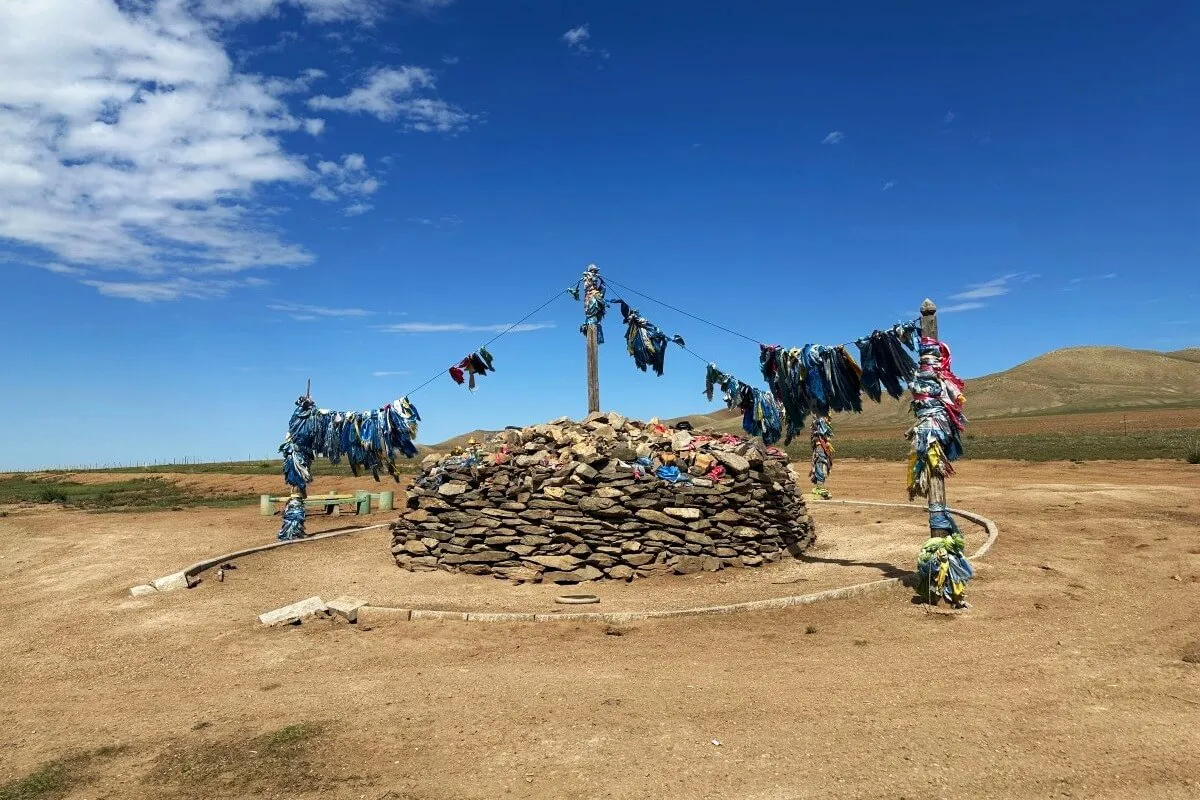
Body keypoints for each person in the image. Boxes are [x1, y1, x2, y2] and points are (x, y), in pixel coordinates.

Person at [915, 532, 973, 608]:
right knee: (940, 594)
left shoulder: (954, 557)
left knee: (950, 587)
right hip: (938, 581)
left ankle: (957, 601)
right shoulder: (937, 557)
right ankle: (944, 603)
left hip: (948, 580)